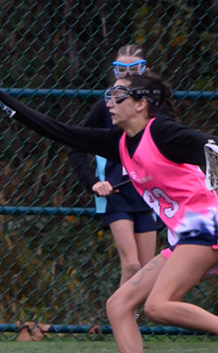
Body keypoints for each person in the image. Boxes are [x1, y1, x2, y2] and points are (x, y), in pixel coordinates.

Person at [0, 73, 218, 353]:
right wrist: (5, 101)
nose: (110, 104)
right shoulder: (121, 142)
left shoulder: (162, 131)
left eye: (119, 97)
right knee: (119, 305)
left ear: (141, 104)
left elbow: (204, 142)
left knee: (157, 306)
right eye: (110, 96)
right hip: (182, 235)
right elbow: (60, 131)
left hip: (203, 227)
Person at [68, 46, 162, 296]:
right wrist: (93, 183)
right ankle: (120, 313)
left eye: (135, 69)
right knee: (131, 265)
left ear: (145, 71)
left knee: (147, 270)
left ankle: (133, 315)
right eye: (122, 69)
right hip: (115, 194)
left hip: (146, 193)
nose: (128, 74)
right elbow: (76, 148)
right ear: (114, 72)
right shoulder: (106, 107)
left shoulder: (154, 107)